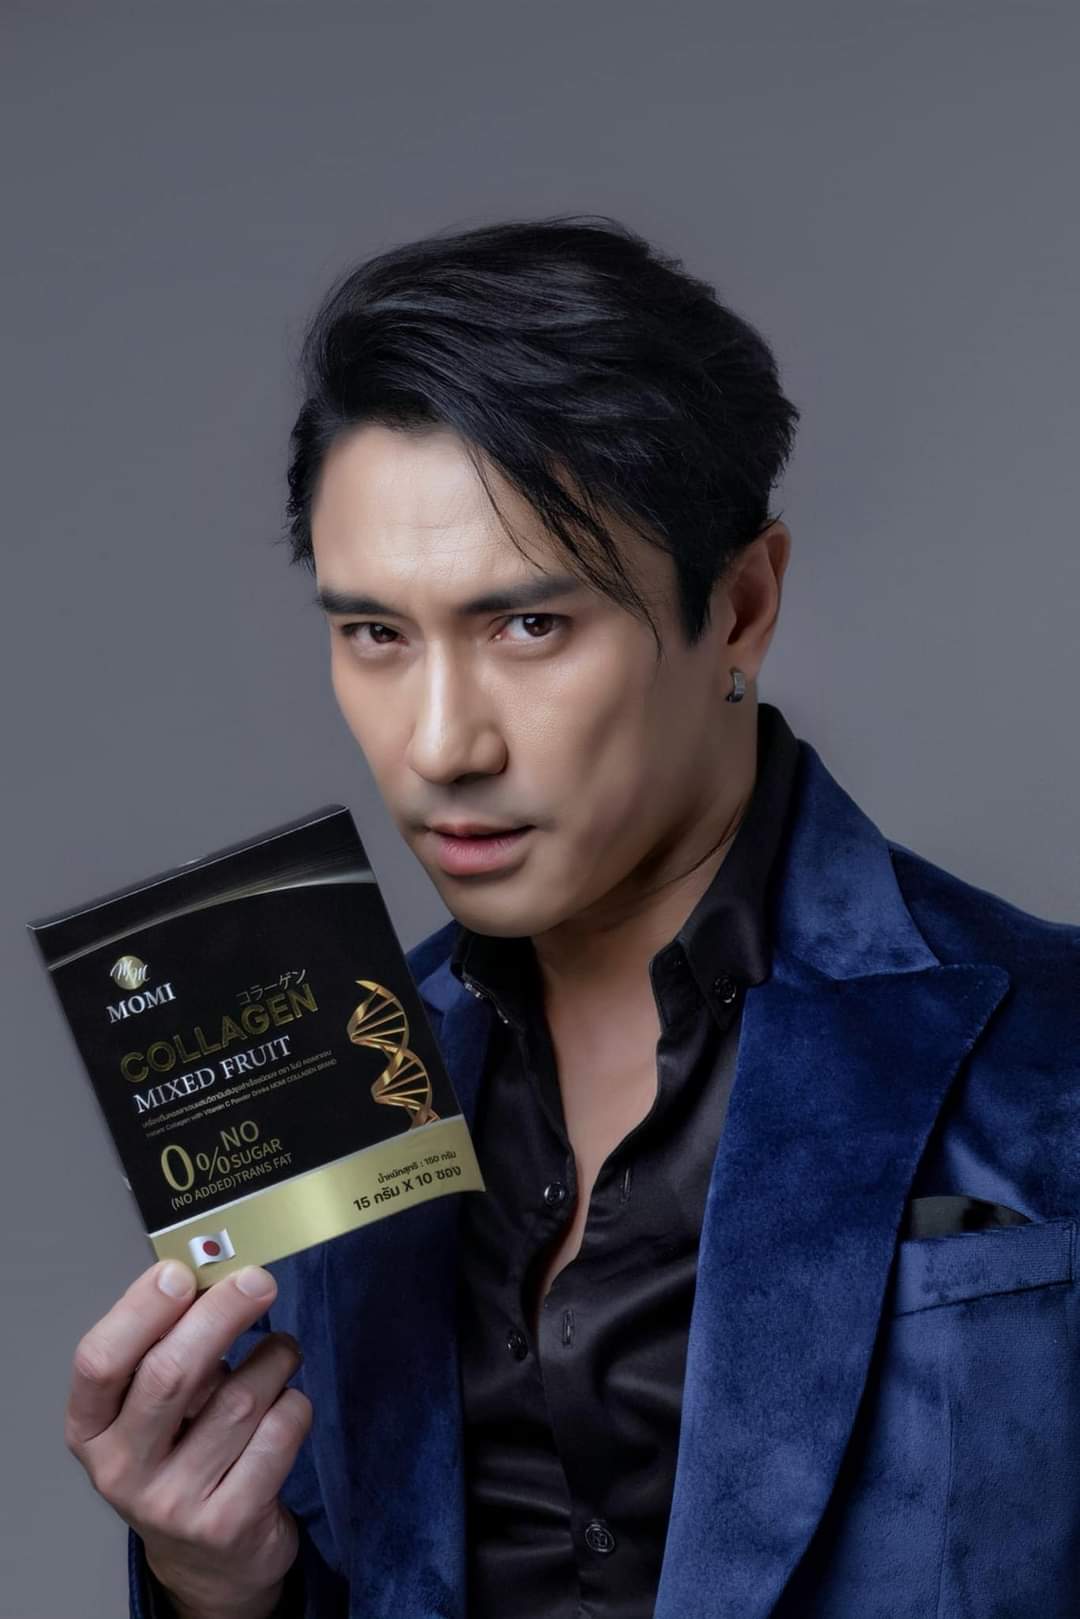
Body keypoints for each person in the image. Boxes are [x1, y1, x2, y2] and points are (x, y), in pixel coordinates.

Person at [65, 215, 1079, 1619]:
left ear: (740, 608)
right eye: (375, 634)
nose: (440, 744)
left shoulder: (1052, 1049)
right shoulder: (324, 1088)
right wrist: (213, 1584)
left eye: (529, 626)